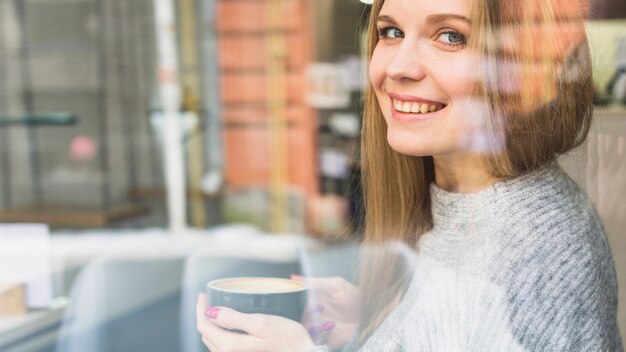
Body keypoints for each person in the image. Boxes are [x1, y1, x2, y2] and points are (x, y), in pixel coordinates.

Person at [196, 0, 623, 350]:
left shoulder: (535, 249)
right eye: (391, 32)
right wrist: (379, 325)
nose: (398, 66)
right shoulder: (460, 206)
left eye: (451, 36)